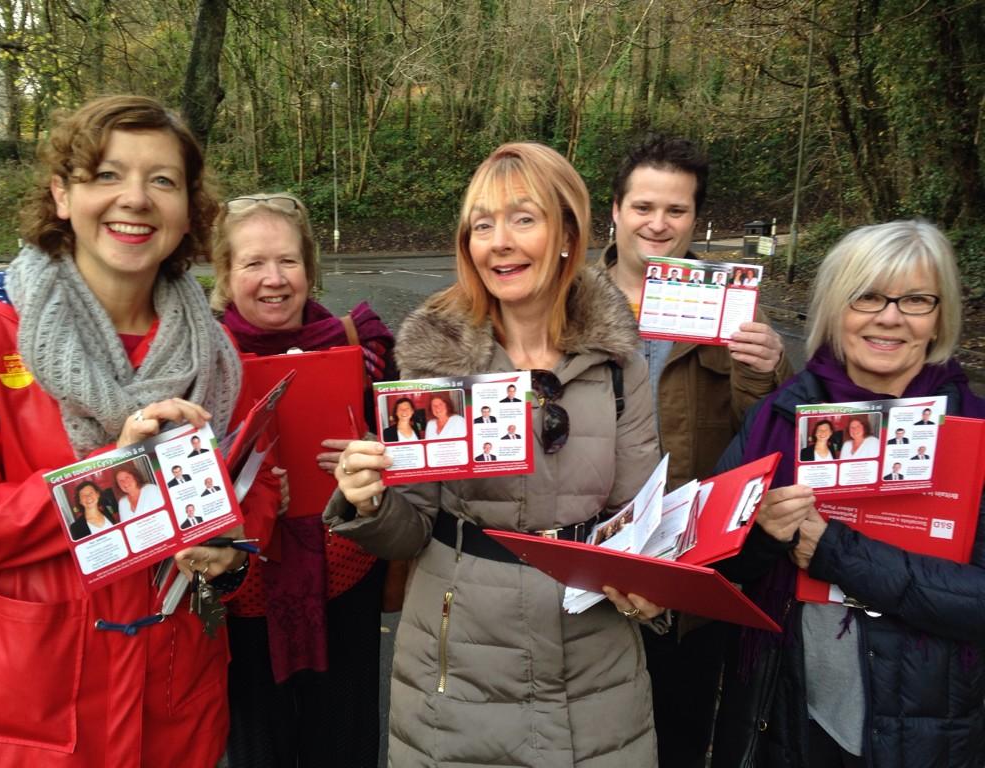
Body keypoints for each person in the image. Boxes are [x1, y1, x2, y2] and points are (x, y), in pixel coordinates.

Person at [0, 95, 276, 767]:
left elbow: (252, 492)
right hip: (36, 708)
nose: (134, 199)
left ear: (189, 210)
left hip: (176, 698)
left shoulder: (214, 353)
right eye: (106, 175)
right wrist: (116, 476)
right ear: (61, 195)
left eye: (162, 180)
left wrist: (234, 556)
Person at [328, 142, 666, 766]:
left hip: (595, 668)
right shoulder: (435, 355)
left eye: (522, 218)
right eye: (482, 225)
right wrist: (370, 500)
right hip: (457, 669)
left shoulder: (621, 366)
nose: (499, 241)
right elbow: (408, 534)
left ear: (567, 232)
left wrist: (651, 583)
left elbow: (642, 515)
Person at [711, 220, 985, 767]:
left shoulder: (974, 431)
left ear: (939, 318)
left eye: (915, 300)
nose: (889, 316)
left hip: (930, 727)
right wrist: (762, 533)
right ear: (838, 308)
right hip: (788, 713)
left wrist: (839, 554)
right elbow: (717, 564)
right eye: (867, 297)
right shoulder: (779, 414)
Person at [604, 134, 792, 768]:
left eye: (676, 210)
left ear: (696, 218)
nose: (658, 224)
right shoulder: (566, 305)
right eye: (643, 207)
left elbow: (763, 440)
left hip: (688, 570)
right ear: (616, 211)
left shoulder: (733, 310)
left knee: (678, 739)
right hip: (591, 564)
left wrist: (765, 370)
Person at [210, 190, 396, 768]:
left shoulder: (360, 346)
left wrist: (378, 457)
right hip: (244, 592)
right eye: (253, 263)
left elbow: (416, 445)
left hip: (344, 579)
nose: (274, 279)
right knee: (257, 746)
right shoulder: (198, 357)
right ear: (224, 272)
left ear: (310, 269)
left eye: (288, 261)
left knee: (345, 740)